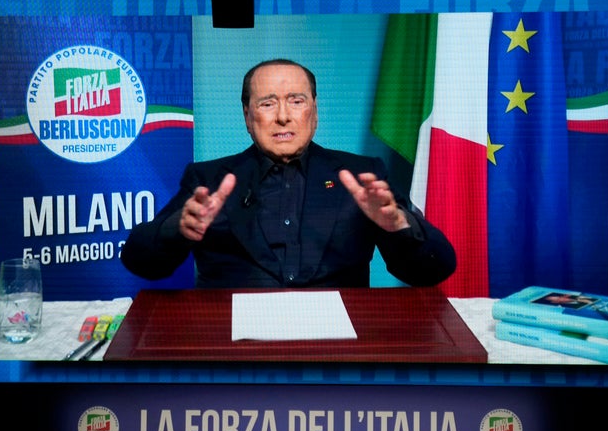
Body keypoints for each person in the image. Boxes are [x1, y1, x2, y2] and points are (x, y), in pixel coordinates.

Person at [121, 59, 456, 288]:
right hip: (233, 348)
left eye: (296, 101)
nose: (283, 116)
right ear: (248, 117)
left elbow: (434, 270)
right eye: (267, 103)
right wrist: (176, 229)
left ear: (314, 110)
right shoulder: (208, 180)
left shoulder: (361, 175)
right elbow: (141, 262)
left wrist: (400, 225)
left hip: (336, 349)